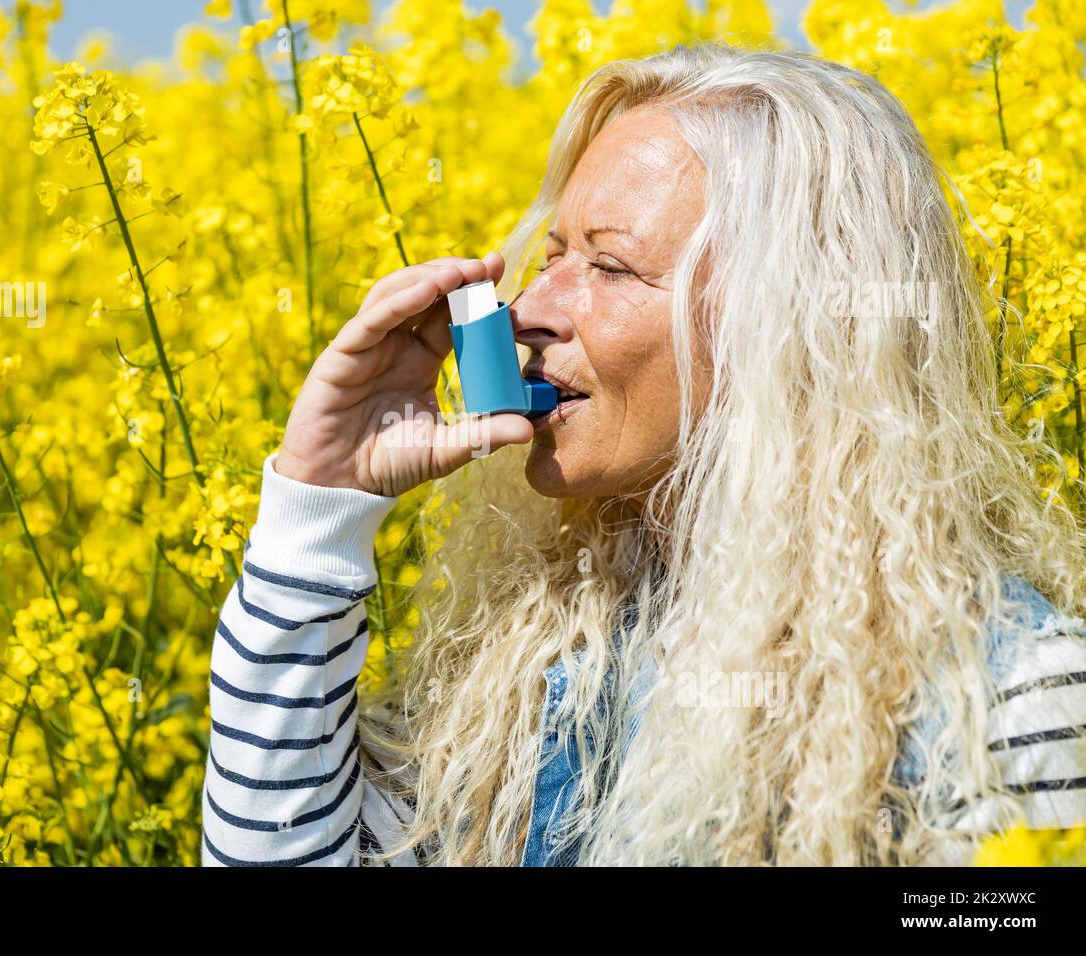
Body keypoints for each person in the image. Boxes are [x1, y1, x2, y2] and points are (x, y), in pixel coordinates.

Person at [202, 42, 1086, 867]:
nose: (529, 309)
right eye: (548, 258)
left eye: (611, 268)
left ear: (796, 327)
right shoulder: (540, 672)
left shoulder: (1010, 702)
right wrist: (315, 516)